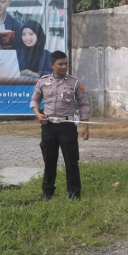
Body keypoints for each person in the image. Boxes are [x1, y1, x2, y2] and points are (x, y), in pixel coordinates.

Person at [30, 51, 91, 200]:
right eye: (60, 64)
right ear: (52, 65)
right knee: (49, 161)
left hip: (67, 126)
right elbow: (35, 100)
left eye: (66, 63)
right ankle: (47, 193)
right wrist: (38, 115)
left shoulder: (75, 83)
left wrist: (85, 127)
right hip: (49, 127)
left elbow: (84, 105)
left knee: (71, 162)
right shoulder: (43, 82)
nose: (64, 67)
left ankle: (74, 194)